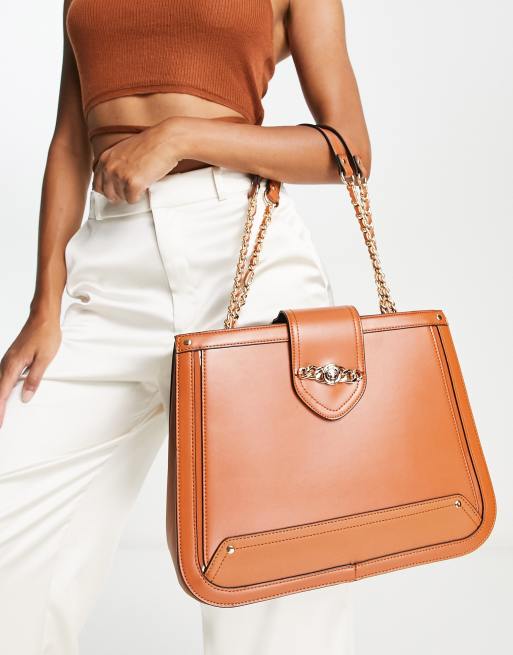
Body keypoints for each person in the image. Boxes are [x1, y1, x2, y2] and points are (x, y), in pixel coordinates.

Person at [0, 1, 371, 653]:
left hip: (245, 250)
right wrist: (45, 303)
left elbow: (346, 150)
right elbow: (71, 141)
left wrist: (179, 137)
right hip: (108, 262)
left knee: (269, 554)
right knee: (15, 515)